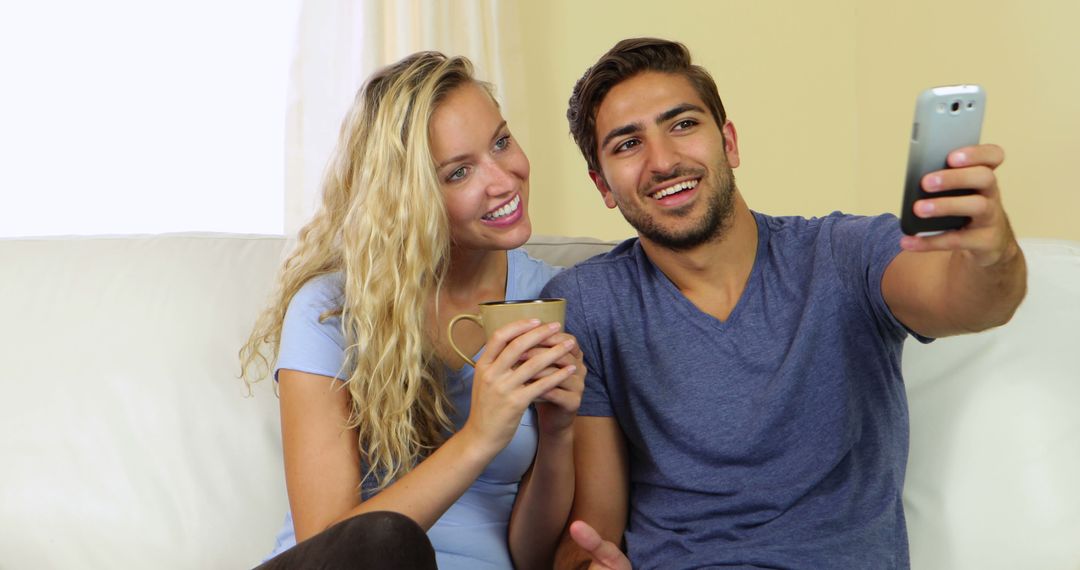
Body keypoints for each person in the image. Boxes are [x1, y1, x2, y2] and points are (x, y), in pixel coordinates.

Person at [543, 38, 1027, 569]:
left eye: (682, 124)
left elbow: (972, 303)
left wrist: (992, 250)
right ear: (602, 184)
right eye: (627, 144)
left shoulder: (845, 254)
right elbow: (594, 526)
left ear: (728, 142)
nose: (663, 161)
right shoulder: (588, 303)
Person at [240, 51, 584, 570]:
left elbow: (532, 557)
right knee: (385, 541)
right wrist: (479, 437)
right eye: (459, 172)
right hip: (351, 562)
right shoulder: (332, 311)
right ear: (408, 197)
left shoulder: (552, 300)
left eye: (501, 142)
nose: (503, 180)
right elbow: (331, 546)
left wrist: (558, 433)